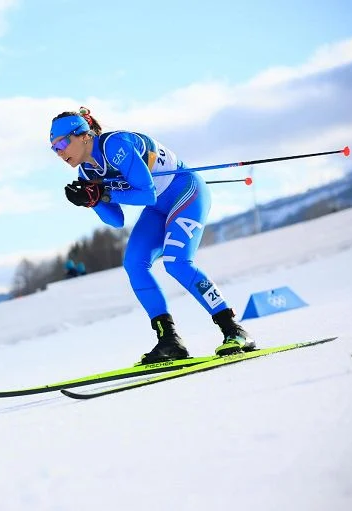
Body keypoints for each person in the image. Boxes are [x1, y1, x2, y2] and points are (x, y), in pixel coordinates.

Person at [49, 107, 256, 363]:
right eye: (53, 148)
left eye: (61, 143)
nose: (58, 152)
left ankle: (233, 329)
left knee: (176, 262)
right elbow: (116, 220)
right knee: (134, 263)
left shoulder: (116, 145)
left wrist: (104, 194)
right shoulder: (87, 172)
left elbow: (147, 193)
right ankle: (169, 340)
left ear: (83, 135)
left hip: (186, 192)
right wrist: (91, 201)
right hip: (158, 209)